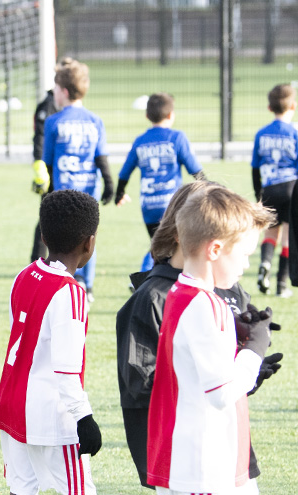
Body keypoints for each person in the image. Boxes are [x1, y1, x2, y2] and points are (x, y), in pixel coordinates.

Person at [116, 181, 283, 490]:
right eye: (245, 254)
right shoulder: (188, 300)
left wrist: (240, 344)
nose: (247, 264)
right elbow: (215, 393)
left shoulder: (183, 292)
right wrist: (252, 353)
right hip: (202, 463)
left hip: (213, 456)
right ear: (214, 248)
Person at [0, 189, 102, 495]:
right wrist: (84, 418)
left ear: (43, 235)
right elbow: (66, 368)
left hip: (12, 407)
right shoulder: (71, 292)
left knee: (21, 489)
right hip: (52, 418)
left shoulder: (23, 275)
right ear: (89, 243)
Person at [42, 58, 113, 302]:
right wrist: (109, 185)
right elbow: (101, 158)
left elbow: (48, 163)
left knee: (61, 241)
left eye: (55, 89)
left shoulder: (53, 121)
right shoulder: (95, 121)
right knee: (88, 237)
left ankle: (62, 282)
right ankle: (87, 287)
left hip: (62, 195)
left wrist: (47, 193)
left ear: (63, 91)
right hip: (88, 193)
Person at [115, 93, 206, 272]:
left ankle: (147, 276)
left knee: (158, 244)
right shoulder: (177, 138)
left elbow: (124, 172)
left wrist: (120, 193)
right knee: (171, 248)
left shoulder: (140, 141)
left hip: (148, 205)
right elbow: (194, 169)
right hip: (171, 205)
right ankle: (146, 276)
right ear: (171, 115)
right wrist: (209, 188)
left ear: (147, 116)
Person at [251, 83, 297, 298]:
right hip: (291, 189)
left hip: (268, 188)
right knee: (287, 237)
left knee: (270, 233)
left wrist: (258, 195)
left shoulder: (261, 134)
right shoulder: (294, 133)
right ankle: (281, 285)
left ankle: (265, 264)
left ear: (269, 108)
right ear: (293, 106)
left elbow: (255, 168)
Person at [28, 88, 57, 263]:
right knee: (47, 220)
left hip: (58, 169)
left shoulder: (57, 105)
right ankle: (36, 262)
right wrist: (40, 167)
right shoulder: (48, 105)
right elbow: (39, 137)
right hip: (50, 171)